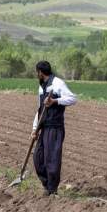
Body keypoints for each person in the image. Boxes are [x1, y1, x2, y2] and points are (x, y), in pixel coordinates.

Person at [30, 61, 77, 196]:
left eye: (37, 72)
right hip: (44, 127)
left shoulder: (57, 83)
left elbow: (73, 99)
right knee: (38, 159)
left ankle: (52, 190)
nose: (36, 75)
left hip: (55, 128)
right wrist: (34, 129)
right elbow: (40, 110)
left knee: (52, 160)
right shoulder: (41, 88)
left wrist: (55, 101)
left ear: (40, 72)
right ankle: (47, 186)